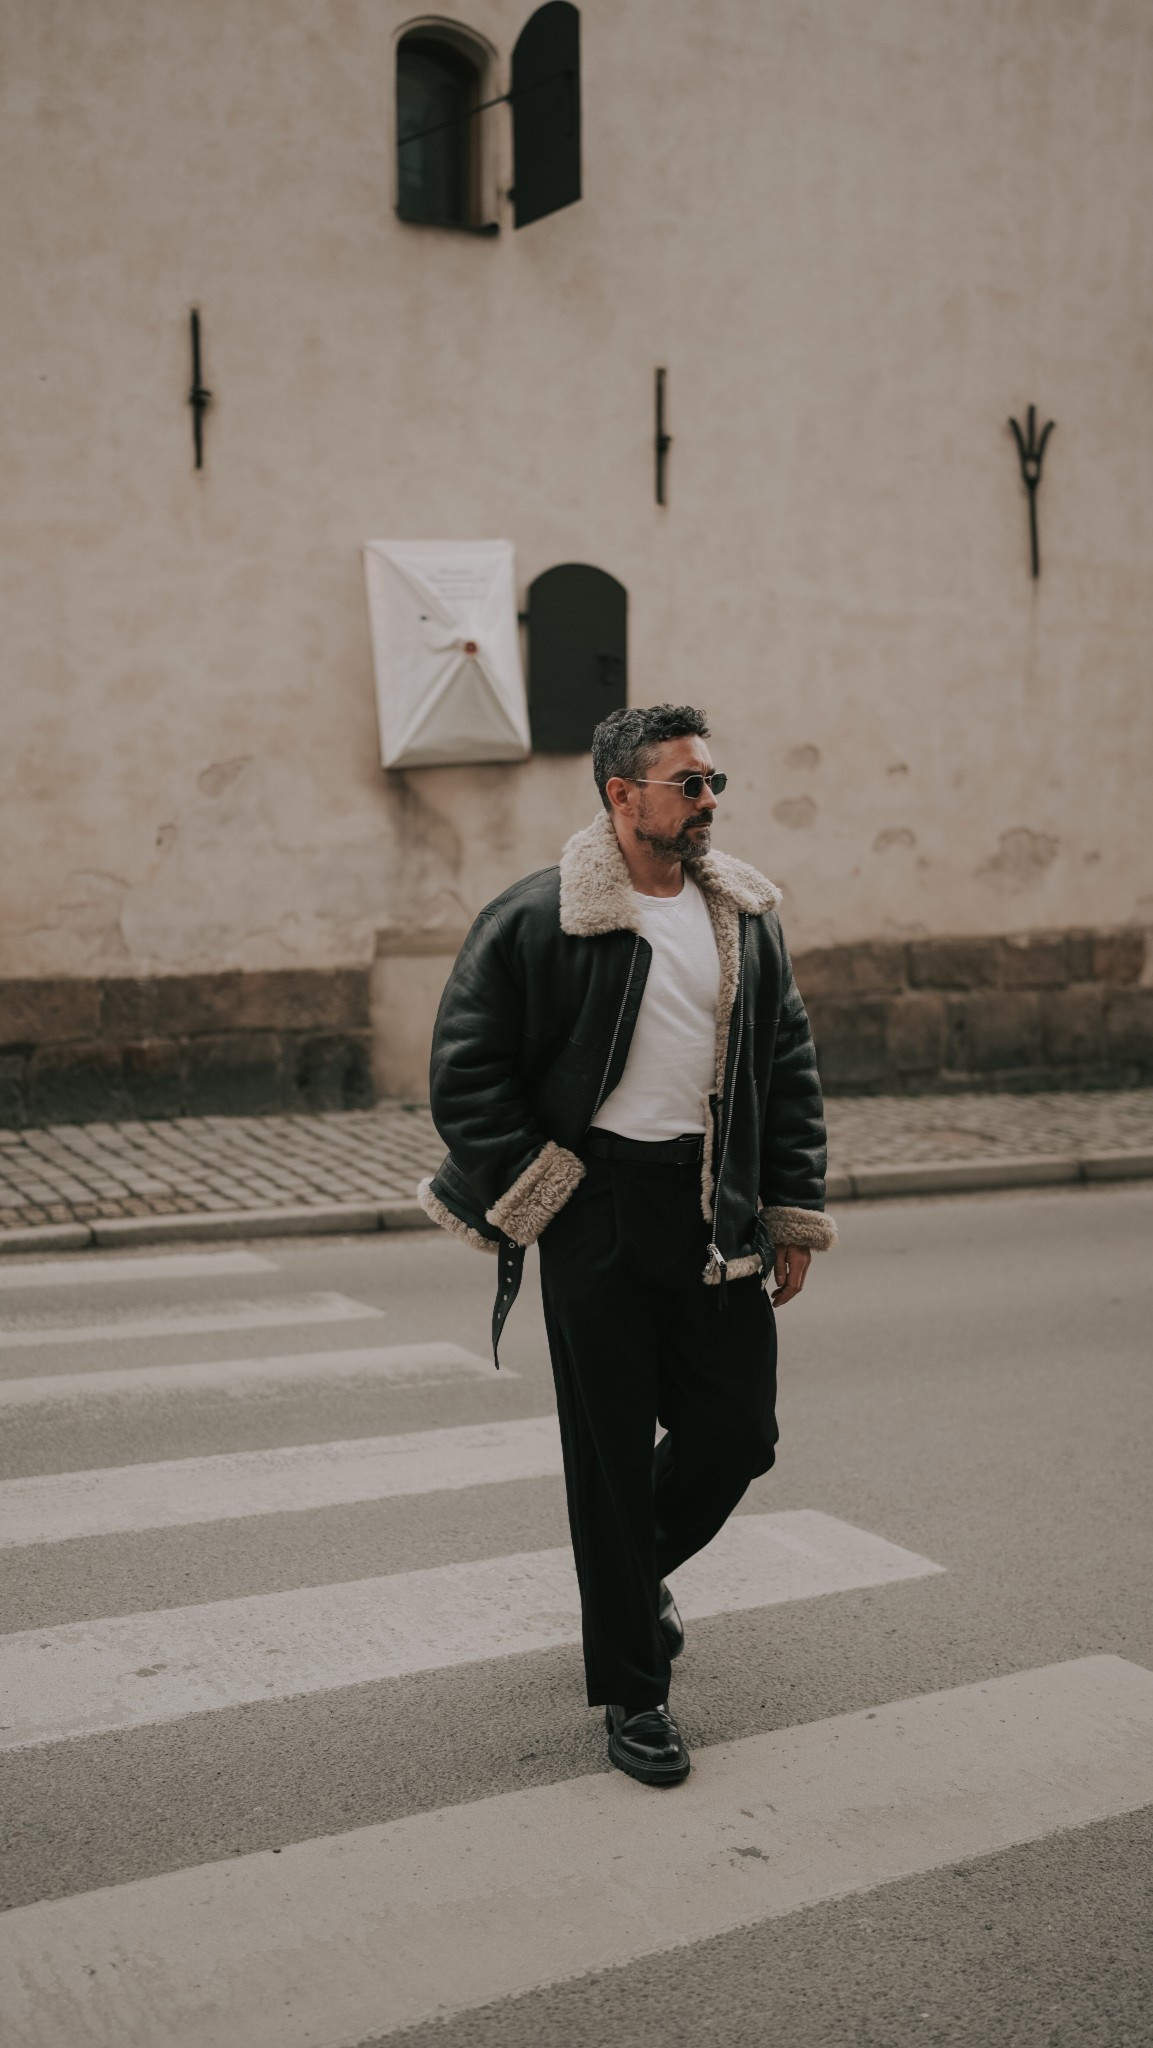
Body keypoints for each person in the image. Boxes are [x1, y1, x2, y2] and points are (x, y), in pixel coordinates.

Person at [418, 703, 836, 1786]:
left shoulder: (743, 914)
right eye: (686, 782)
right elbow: (465, 1069)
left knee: (738, 1430)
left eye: (712, 781)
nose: (708, 800)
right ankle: (635, 1695)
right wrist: (542, 1189)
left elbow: (785, 1068)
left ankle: (628, 1576)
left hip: (712, 1207)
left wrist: (788, 1208)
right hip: (595, 1207)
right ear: (620, 794)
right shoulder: (538, 918)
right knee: (608, 1463)